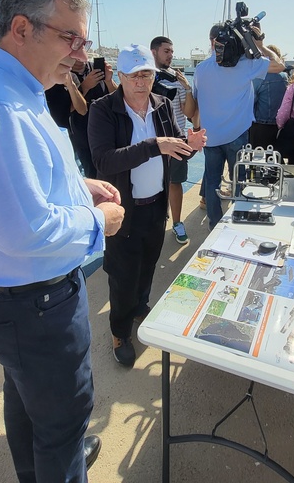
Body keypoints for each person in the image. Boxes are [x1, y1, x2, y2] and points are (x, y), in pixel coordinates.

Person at [0, 0, 125, 482]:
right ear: (21, 29)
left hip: (16, 300)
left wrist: (77, 185)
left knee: (29, 402)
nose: (83, 54)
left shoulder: (16, 89)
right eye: (73, 38)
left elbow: (24, 183)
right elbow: (25, 231)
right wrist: (98, 222)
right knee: (63, 420)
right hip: (32, 304)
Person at [88, 44, 206, 367]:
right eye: (135, 75)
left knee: (149, 263)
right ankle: (119, 332)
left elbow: (177, 147)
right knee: (122, 276)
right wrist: (155, 145)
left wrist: (191, 146)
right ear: (121, 77)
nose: (142, 81)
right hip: (122, 210)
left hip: (155, 207)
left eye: (147, 74)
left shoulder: (164, 106)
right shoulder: (102, 109)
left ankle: (141, 305)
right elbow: (104, 160)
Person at [185, 23, 285, 230]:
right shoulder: (245, 65)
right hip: (237, 136)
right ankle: (235, 223)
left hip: (210, 136)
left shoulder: (201, 69)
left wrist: (196, 128)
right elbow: (279, 65)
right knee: (239, 182)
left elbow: (197, 104)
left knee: (212, 182)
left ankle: (215, 225)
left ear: (212, 42)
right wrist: (259, 44)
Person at [150, 36, 193, 246]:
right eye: (166, 51)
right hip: (152, 141)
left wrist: (187, 88)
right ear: (154, 52)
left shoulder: (178, 78)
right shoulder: (145, 77)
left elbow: (189, 112)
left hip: (177, 139)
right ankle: (157, 222)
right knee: (152, 185)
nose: (170, 55)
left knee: (175, 183)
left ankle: (177, 223)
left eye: (172, 51)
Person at [70, 58, 117, 178]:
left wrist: (109, 81)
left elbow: (118, 98)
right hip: (83, 136)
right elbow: (70, 109)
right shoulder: (66, 74)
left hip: (108, 132)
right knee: (93, 175)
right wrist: (85, 86)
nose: (80, 56)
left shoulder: (95, 68)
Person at [249, 44, 288, 149]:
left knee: (256, 161)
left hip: (260, 125)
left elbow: (251, 100)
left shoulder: (260, 77)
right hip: (280, 124)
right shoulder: (284, 77)